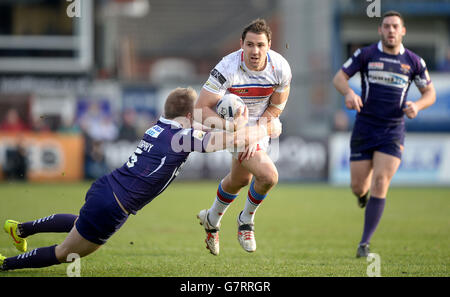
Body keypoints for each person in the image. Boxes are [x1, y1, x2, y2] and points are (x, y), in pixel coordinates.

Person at [0, 87, 280, 271]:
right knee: (65, 252)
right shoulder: (181, 138)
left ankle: (20, 229)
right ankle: (5, 265)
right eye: (194, 113)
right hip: (114, 206)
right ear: (187, 115)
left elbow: (197, 123)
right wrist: (266, 126)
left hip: (105, 189)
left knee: (78, 225)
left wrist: (220, 114)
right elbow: (227, 141)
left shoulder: (160, 125)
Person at [332, 11, 436, 258]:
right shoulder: (366, 54)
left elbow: (429, 93)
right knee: (358, 186)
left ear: (403, 31)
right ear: (380, 30)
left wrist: (417, 106)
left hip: (392, 129)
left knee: (381, 181)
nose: (391, 30)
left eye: (395, 26)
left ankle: (364, 244)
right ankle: (362, 196)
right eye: (386, 26)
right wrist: (348, 93)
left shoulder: (414, 61)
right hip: (364, 127)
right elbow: (339, 78)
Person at [194, 18, 292, 255]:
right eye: (250, 45)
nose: (255, 51)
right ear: (241, 44)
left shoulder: (280, 67)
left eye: (260, 45)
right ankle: (246, 220)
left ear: (269, 45)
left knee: (240, 180)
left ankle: (212, 219)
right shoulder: (226, 67)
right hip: (231, 128)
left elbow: (276, 108)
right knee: (268, 176)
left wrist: (255, 133)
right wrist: (231, 128)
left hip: (258, 126)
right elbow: (199, 110)